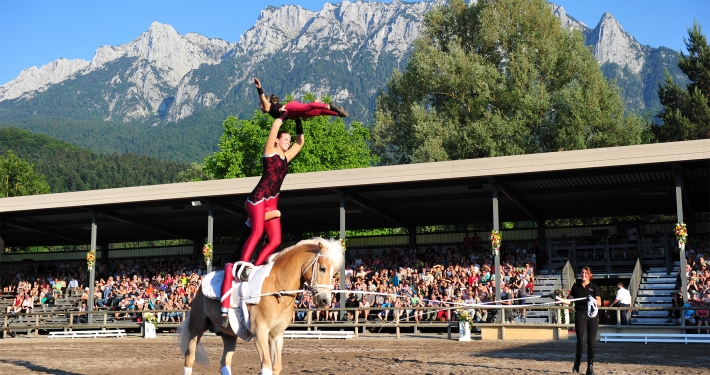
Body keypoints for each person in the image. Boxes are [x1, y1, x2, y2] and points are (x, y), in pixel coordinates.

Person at [219, 113, 305, 328]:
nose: (287, 143)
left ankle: (257, 267)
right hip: (257, 200)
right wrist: (281, 116)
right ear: (277, 140)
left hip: (271, 203)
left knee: (275, 240)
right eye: (284, 140)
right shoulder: (269, 152)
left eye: (287, 140)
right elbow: (274, 129)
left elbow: (300, 142)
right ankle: (243, 266)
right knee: (257, 233)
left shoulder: (286, 157)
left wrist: (297, 118)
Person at [560, 266, 601, 375]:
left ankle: (590, 367)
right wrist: (558, 299)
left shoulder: (594, 287)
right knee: (580, 342)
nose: (583, 275)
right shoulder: (576, 286)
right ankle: (576, 364)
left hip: (592, 316)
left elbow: (599, 302)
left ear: (589, 275)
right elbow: (569, 302)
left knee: (591, 342)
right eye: (582, 273)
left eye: (585, 273)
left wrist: (592, 299)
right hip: (580, 314)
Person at [254, 78, 348, 119]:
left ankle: (328, 106)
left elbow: (262, 97)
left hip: (289, 107)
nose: (260, 107)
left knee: (308, 107)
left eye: (260, 105)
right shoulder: (271, 109)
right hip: (293, 114)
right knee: (315, 112)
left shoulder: (268, 107)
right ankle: (337, 113)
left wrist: (259, 88)